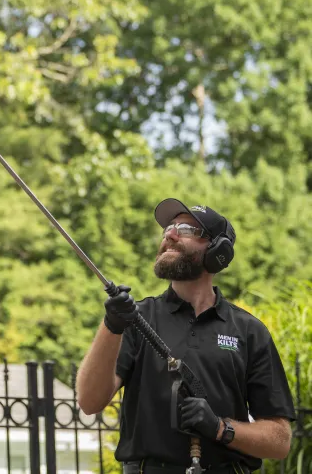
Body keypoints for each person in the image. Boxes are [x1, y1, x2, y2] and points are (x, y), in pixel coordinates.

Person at [76, 198, 296, 473]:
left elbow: (280, 441)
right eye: (168, 228)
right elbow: (89, 402)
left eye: (187, 229)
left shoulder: (249, 331)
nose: (170, 234)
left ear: (219, 252)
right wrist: (112, 325)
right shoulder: (137, 318)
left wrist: (221, 429)